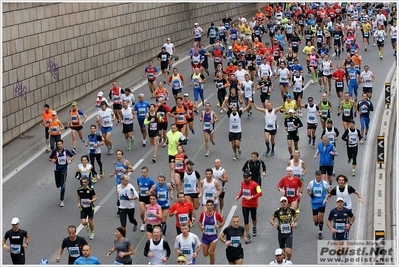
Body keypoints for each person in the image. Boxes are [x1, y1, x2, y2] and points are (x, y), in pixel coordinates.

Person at [221, 95, 252, 160]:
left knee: (237, 144)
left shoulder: (239, 113)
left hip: (238, 131)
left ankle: (239, 149)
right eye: (233, 108)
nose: (234, 109)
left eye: (235, 108)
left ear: (237, 109)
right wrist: (225, 100)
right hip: (231, 131)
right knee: (233, 144)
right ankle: (235, 154)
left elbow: (247, 107)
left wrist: (250, 101)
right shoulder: (229, 113)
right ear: (231, 109)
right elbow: (222, 107)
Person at [235, 171, 263, 243]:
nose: (245, 179)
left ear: (250, 177)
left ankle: (254, 227)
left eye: (246, 178)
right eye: (244, 178)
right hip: (245, 204)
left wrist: (252, 197)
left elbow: (260, 193)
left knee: (253, 218)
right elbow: (242, 191)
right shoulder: (242, 183)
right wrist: (238, 196)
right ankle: (247, 234)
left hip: (253, 204)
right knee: (246, 219)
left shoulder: (255, 184)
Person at [269, 196, 298, 261]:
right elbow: (271, 219)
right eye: (282, 202)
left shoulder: (291, 210)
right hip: (281, 233)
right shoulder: (277, 211)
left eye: (285, 201)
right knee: (282, 254)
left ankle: (289, 260)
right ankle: (284, 263)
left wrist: (293, 222)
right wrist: (274, 223)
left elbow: (296, 216)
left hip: (289, 233)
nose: (284, 203)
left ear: (287, 202)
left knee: (288, 252)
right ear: (280, 203)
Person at [48, 139, 75, 207]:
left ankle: (61, 200)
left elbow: (72, 156)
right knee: (58, 185)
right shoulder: (55, 152)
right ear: (56, 145)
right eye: (58, 144)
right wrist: (52, 160)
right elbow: (49, 158)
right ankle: (60, 184)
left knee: (63, 185)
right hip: (57, 170)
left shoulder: (66, 151)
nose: (59, 145)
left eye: (60, 144)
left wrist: (70, 160)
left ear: (62, 144)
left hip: (64, 170)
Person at [198, 200, 224, 265]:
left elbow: (223, 222)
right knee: (205, 254)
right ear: (206, 206)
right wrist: (201, 226)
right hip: (205, 236)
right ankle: (209, 251)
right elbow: (199, 222)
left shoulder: (216, 214)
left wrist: (219, 226)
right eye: (208, 205)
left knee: (211, 253)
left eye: (210, 205)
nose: (209, 207)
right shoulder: (203, 214)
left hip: (213, 236)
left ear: (213, 206)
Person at [307, 170, 330, 240]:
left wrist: (328, 195)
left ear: (321, 176)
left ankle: (320, 232)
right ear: (315, 176)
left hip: (322, 203)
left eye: (319, 175)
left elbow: (329, 190)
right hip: (314, 203)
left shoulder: (324, 183)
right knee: (315, 221)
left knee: (321, 218)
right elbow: (308, 190)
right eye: (317, 175)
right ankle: (316, 221)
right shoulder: (312, 183)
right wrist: (310, 194)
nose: (318, 177)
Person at [110, 150, 134, 215]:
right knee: (119, 194)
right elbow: (115, 169)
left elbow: (132, 169)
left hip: (125, 181)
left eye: (119, 154)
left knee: (126, 193)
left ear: (122, 155)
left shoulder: (125, 162)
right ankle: (120, 208)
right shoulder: (114, 162)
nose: (118, 156)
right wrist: (112, 174)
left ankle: (128, 206)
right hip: (118, 180)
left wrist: (126, 170)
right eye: (117, 154)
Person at [137, 166, 156, 232]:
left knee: (148, 213)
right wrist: (138, 192)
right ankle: (143, 223)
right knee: (142, 213)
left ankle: (149, 223)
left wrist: (150, 192)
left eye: (144, 172)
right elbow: (139, 186)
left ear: (147, 172)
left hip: (148, 198)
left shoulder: (150, 180)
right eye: (142, 172)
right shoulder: (139, 179)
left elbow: (154, 189)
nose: (143, 174)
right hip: (142, 197)